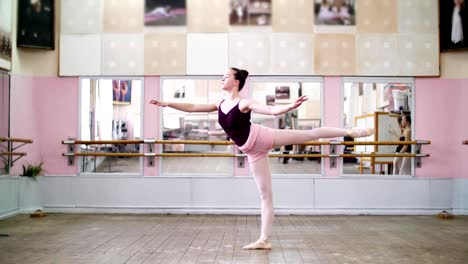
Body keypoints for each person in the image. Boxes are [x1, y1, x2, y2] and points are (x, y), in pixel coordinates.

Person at [150, 68, 374, 250]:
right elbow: (190, 107)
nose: (222, 78)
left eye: (226, 76)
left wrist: (289, 106)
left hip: (262, 136)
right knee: (265, 195)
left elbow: (270, 111)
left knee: (309, 135)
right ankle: (265, 239)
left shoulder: (244, 102)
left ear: (236, 82)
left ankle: (352, 133)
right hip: (251, 151)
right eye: (222, 76)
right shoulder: (219, 103)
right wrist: (169, 103)